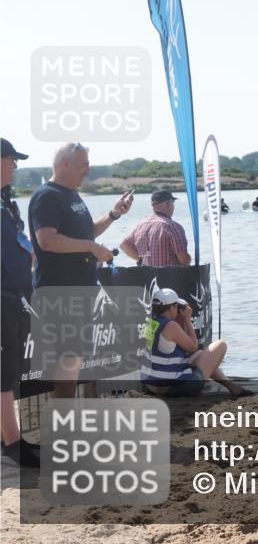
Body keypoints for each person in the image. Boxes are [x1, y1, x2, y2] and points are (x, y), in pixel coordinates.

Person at [28, 143, 134, 398]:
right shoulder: (47, 196)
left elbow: (88, 232)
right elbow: (47, 240)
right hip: (59, 292)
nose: (89, 169)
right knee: (68, 360)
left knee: (73, 360)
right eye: (84, 163)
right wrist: (91, 247)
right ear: (65, 164)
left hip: (79, 290)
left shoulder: (72, 195)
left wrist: (113, 214)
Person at [0, 139, 39, 467]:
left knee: (9, 369)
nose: (15, 165)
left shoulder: (6, 202)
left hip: (13, 296)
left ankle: (8, 438)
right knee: (4, 371)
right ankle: (12, 443)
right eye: (11, 159)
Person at [141, 288, 250, 397]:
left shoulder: (150, 322)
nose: (178, 309)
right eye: (176, 306)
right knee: (221, 345)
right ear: (171, 308)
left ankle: (231, 386)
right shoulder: (170, 326)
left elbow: (179, 350)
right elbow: (193, 346)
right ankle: (231, 387)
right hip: (172, 388)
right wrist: (187, 320)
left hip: (152, 385)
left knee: (200, 354)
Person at [120, 190, 191, 267]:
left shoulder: (140, 225)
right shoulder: (173, 227)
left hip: (147, 277)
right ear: (168, 204)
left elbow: (124, 245)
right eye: (172, 203)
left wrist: (141, 260)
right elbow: (184, 260)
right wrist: (189, 259)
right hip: (169, 277)